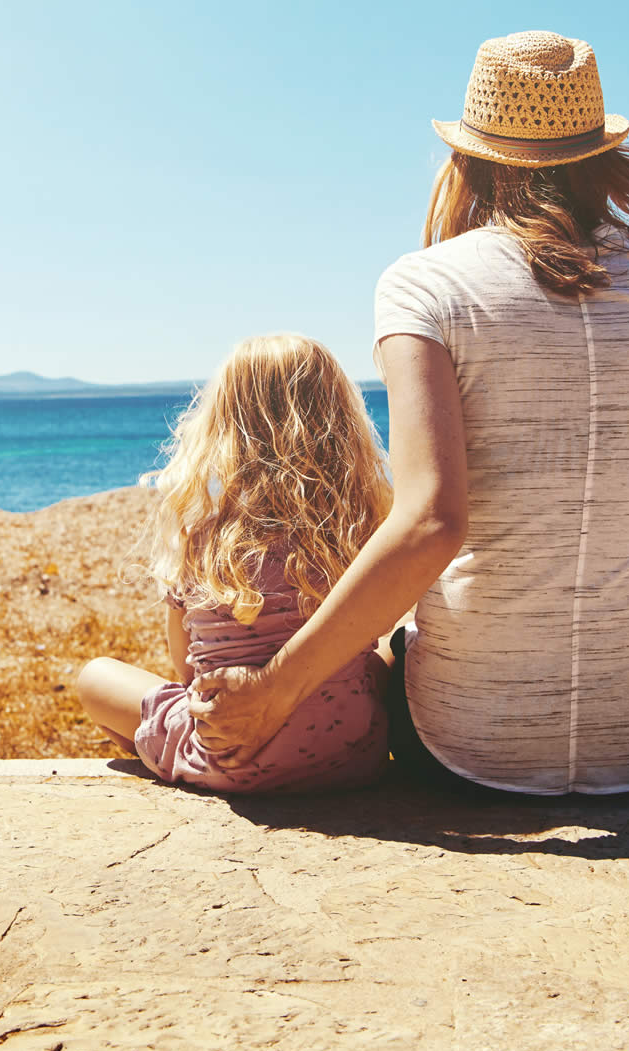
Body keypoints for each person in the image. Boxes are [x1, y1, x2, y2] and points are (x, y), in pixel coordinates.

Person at [188, 30, 629, 796]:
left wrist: (274, 691)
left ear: (470, 155)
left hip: (469, 741)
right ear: (599, 153)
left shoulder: (423, 288)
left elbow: (432, 522)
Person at [73, 333, 393, 793]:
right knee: (386, 654)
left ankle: (174, 759)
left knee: (94, 677)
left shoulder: (202, 536)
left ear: (222, 426)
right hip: (348, 757)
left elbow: (187, 671)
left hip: (225, 757)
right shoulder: (357, 529)